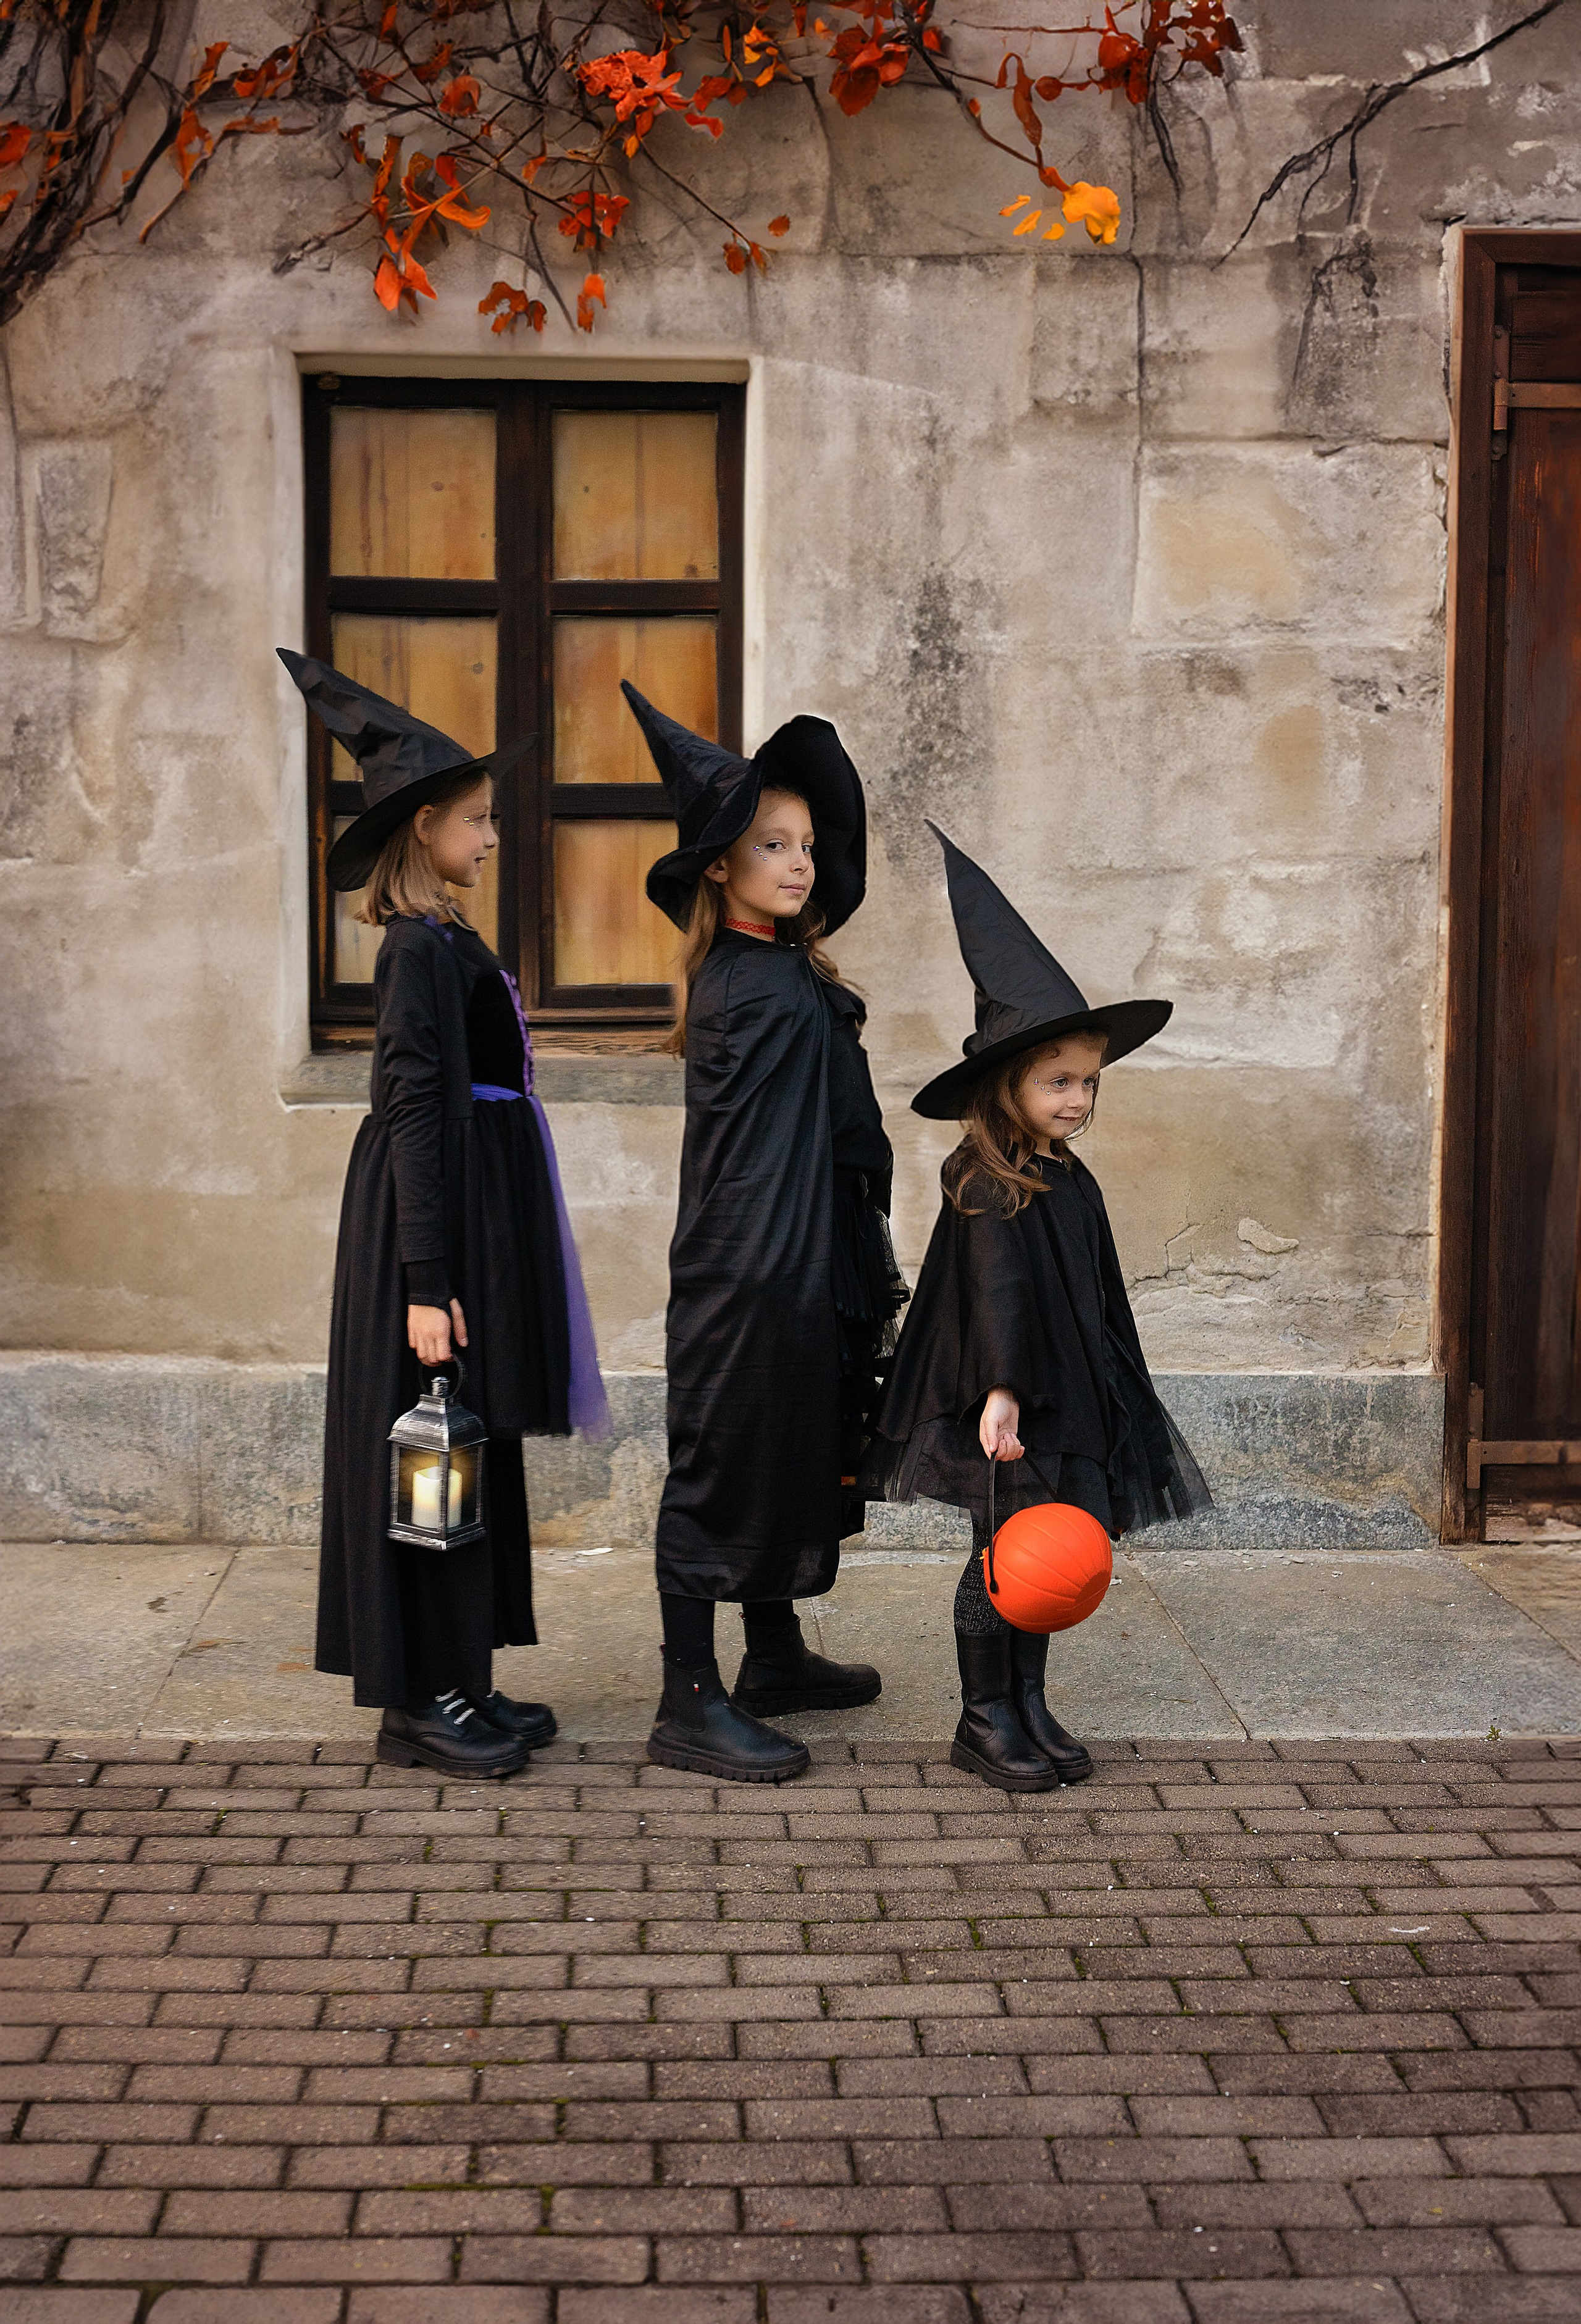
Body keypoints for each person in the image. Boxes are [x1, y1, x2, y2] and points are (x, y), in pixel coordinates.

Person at [280, 650, 608, 1780]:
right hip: (433, 1230)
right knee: (431, 1450)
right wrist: (428, 1282)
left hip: (476, 1219)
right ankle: (419, 1702)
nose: (494, 834)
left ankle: (464, 1672)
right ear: (423, 828)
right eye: (478, 818)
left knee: (465, 1448)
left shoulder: (449, 936)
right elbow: (415, 1111)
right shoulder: (414, 952)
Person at [864, 823, 1211, 1794]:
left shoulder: (1068, 1172)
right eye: (1059, 1081)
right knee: (1000, 1551)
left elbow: (1091, 1291)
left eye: (1089, 1082)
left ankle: (1028, 1700)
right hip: (1002, 1400)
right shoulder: (984, 1175)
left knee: (1048, 1547)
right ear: (1005, 1084)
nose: (1079, 1099)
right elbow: (994, 1296)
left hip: (1069, 1393)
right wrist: (1003, 1391)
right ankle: (983, 1715)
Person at [622, 682, 908, 1784]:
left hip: (809, 1262)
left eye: (804, 843)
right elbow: (746, 1169)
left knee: (795, 1453)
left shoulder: (789, 971)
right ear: (718, 867)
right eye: (770, 845)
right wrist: (772, 1283)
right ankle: (687, 1700)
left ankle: (776, 1655)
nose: (799, 861)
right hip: (754, 1272)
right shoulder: (743, 989)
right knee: (724, 1464)